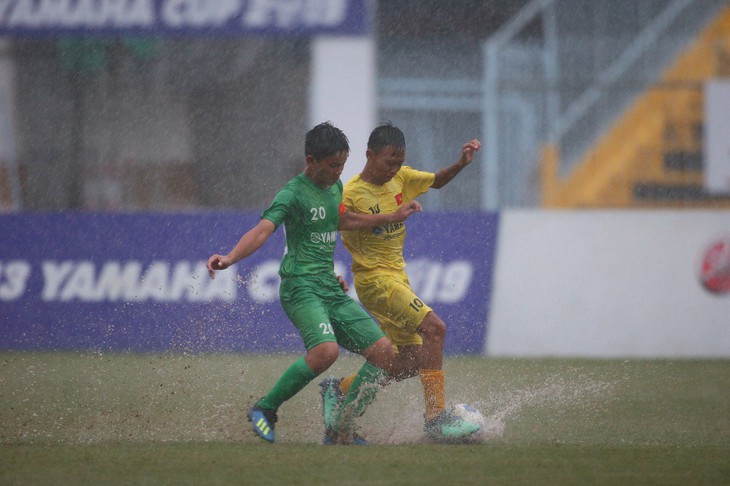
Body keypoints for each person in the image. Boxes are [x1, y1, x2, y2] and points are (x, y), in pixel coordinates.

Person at [206, 121, 421, 445]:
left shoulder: (335, 188)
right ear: (311, 161)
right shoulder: (292, 194)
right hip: (300, 287)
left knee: (385, 355)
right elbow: (263, 230)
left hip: (328, 287)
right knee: (326, 352)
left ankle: (341, 429)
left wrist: (388, 217)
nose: (339, 173)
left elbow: (342, 219)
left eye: (342, 165)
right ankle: (266, 408)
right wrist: (230, 258)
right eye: (333, 165)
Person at [320, 122, 482, 442]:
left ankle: (339, 389)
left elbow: (436, 182)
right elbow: (334, 224)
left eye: (398, 162)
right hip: (374, 281)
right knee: (435, 328)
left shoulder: (402, 178)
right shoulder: (350, 192)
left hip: (398, 278)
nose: (393, 168)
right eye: (388, 162)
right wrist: (389, 218)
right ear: (369, 155)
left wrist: (460, 164)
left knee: (409, 363)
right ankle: (435, 418)